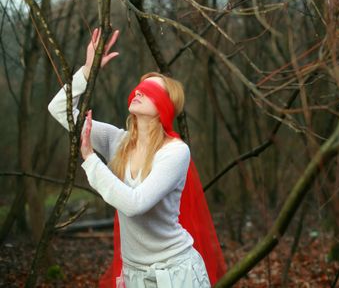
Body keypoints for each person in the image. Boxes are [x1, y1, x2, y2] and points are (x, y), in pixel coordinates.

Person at [48, 28, 226, 287]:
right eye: (139, 88)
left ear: (164, 107)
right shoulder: (116, 140)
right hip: (134, 275)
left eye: (150, 91)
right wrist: (87, 71)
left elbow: (135, 204)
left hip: (175, 273)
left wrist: (90, 159)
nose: (139, 92)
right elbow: (58, 110)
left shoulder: (175, 152)